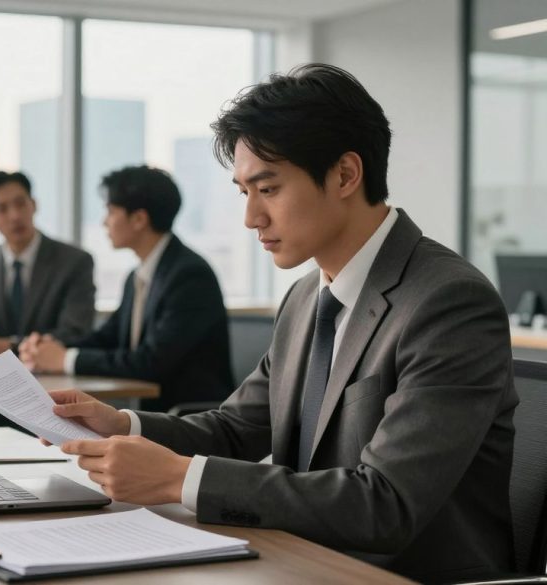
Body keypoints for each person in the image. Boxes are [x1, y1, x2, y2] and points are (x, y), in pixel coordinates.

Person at [40, 64, 517, 583]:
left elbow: (385, 504)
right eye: (243, 192)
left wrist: (179, 477)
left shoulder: (447, 301)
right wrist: (123, 424)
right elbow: (234, 429)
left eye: (267, 189)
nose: (251, 218)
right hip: (296, 560)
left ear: (345, 175)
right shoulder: (306, 296)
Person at [20, 165, 234, 412]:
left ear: (139, 219)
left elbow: (150, 362)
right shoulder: (139, 275)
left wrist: (65, 360)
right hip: (149, 412)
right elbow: (108, 338)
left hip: (189, 416)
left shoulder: (189, 276)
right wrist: (52, 347)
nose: (104, 222)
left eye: (110, 211)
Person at [0, 171, 95, 360]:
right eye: (2, 209)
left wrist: (8, 347)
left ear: (34, 205)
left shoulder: (74, 261)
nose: (14, 216)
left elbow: (75, 333)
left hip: (55, 377)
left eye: (21, 204)